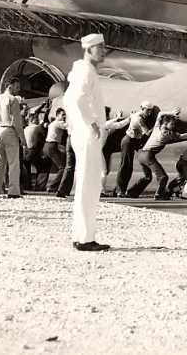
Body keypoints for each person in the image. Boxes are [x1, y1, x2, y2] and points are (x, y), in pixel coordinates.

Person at [63, 33, 110, 252]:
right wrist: (91, 123)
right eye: (100, 48)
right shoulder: (85, 71)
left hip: (82, 133)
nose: (104, 51)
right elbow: (76, 99)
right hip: (87, 134)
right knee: (89, 185)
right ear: (89, 49)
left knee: (86, 184)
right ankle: (85, 239)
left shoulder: (81, 70)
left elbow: (68, 100)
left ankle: (81, 235)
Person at [126, 108, 187, 200]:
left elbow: (160, 114)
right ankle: (159, 195)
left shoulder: (157, 127)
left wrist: (171, 113)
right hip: (148, 155)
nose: (174, 125)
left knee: (147, 177)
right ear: (166, 124)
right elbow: (182, 136)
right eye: (172, 123)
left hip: (141, 154)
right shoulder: (167, 134)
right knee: (163, 177)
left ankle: (131, 192)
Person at [0, 78, 26, 198]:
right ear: (10, 86)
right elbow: (16, 121)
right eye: (17, 86)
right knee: (13, 163)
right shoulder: (13, 100)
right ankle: (13, 191)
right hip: (9, 130)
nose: (19, 89)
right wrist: (22, 138)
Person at [114, 102, 154, 198]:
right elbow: (147, 132)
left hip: (137, 141)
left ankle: (129, 191)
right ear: (142, 108)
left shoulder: (139, 115)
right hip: (128, 141)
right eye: (147, 110)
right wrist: (157, 125)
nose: (149, 112)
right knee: (126, 165)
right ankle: (120, 191)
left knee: (144, 166)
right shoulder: (138, 118)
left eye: (150, 110)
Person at [24, 111, 48, 191]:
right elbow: (44, 137)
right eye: (36, 118)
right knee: (44, 166)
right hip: (33, 151)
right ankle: (40, 186)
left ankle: (27, 186)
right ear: (33, 120)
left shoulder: (26, 128)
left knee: (27, 168)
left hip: (25, 151)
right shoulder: (37, 128)